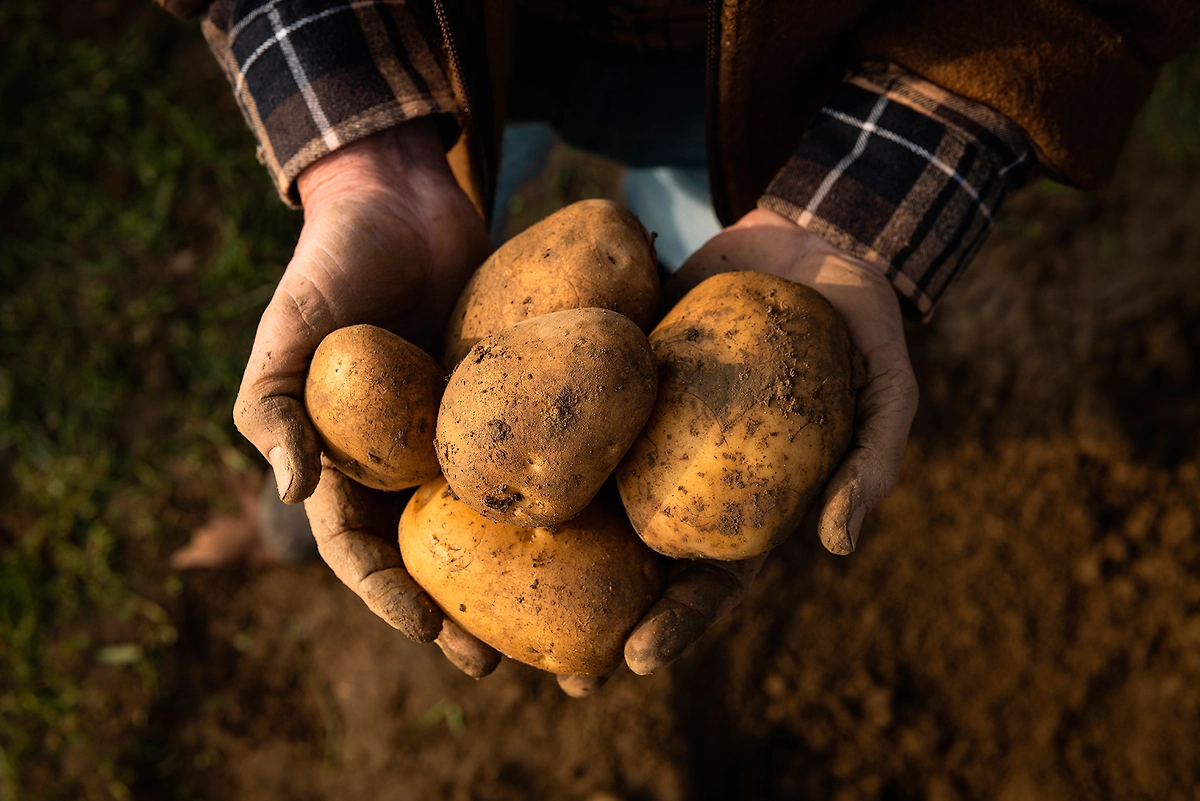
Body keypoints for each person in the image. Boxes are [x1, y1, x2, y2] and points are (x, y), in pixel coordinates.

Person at [158, 0, 1200, 695]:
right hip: (437, 38)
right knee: (368, 350)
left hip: (810, 83)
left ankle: (296, 504)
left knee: (699, 247)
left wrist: (852, 220)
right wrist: (361, 156)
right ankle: (289, 515)